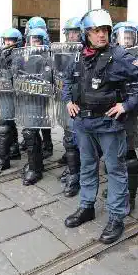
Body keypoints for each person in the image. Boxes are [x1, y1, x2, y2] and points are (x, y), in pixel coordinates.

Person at [63, 9, 138, 244]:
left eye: (105, 30)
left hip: (109, 125)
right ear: (87, 34)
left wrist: (128, 105)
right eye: (96, 31)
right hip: (83, 123)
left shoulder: (120, 56)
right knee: (87, 166)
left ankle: (116, 217)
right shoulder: (78, 56)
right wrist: (68, 100)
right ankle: (86, 206)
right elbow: (67, 79)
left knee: (115, 170)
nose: (102, 35)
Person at [112, 21, 138, 210]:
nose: (126, 40)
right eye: (123, 36)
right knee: (112, 154)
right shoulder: (110, 53)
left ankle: (131, 197)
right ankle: (120, 189)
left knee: (128, 153)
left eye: (129, 37)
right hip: (110, 108)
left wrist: (130, 104)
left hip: (128, 109)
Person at [18, 27, 54, 185]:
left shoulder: (46, 56)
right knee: (30, 133)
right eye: (32, 39)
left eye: (37, 40)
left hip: (38, 98)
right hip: (25, 98)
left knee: (30, 134)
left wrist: (33, 81)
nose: (34, 42)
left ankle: (35, 169)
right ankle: (36, 164)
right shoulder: (24, 55)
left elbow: (48, 78)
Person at [0, 28, 24, 173]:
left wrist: (1, 64)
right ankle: (13, 150)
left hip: (14, 93)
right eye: (6, 40)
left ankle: (4, 159)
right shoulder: (3, 53)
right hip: (3, 93)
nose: (8, 43)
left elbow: (15, 73)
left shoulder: (20, 55)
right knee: (9, 124)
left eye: (11, 40)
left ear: (17, 42)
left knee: (3, 126)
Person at [58, 16, 85, 197]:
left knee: (84, 142)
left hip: (88, 103)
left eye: (76, 32)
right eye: (70, 33)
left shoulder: (88, 50)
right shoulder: (61, 51)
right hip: (70, 102)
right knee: (69, 139)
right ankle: (73, 172)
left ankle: (83, 173)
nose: (72, 36)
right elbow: (61, 76)